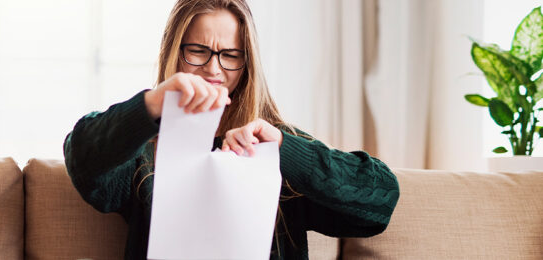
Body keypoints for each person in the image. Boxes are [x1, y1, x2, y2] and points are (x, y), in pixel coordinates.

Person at [63, 0, 400, 259]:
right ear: (174, 52)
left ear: (247, 62)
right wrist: (151, 105)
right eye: (198, 51)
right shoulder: (145, 149)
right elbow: (83, 160)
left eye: (230, 55)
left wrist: (285, 150)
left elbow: (379, 201)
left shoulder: (275, 145)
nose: (214, 69)